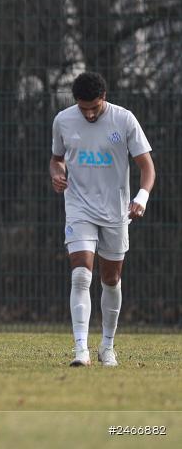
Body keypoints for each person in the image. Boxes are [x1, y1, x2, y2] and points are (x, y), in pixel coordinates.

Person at [50, 72, 154, 367]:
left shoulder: (124, 120)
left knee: (111, 279)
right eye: (84, 108)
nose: (89, 113)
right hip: (79, 207)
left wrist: (141, 198)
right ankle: (80, 349)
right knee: (81, 274)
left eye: (94, 107)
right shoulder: (63, 120)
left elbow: (147, 167)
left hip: (116, 211)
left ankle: (107, 346)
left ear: (103, 98)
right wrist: (56, 173)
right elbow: (56, 158)